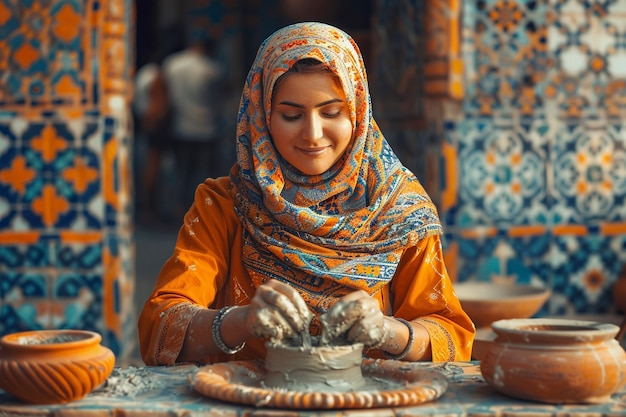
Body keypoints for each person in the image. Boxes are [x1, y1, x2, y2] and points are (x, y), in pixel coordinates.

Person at [138, 22, 475, 366]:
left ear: (358, 113)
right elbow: (160, 326)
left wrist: (390, 333)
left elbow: (451, 335)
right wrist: (239, 322)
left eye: (331, 112)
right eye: (290, 115)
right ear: (263, 116)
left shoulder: (399, 209)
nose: (313, 134)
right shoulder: (224, 205)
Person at [161, 35, 227, 213]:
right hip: (206, 128)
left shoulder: (172, 64)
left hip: (180, 125)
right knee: (204, 173)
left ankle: (177, 206)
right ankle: (201, 208)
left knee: (181, 170)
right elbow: (220, 99)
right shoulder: (212, 69)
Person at [133, 54, 171, 223]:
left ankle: (146, 205)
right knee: (152, 167)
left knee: (144, 166)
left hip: (144, 124)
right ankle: (150, 206)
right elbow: (156, 102)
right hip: (154, 126)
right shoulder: (155, 76)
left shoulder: (141, 75)